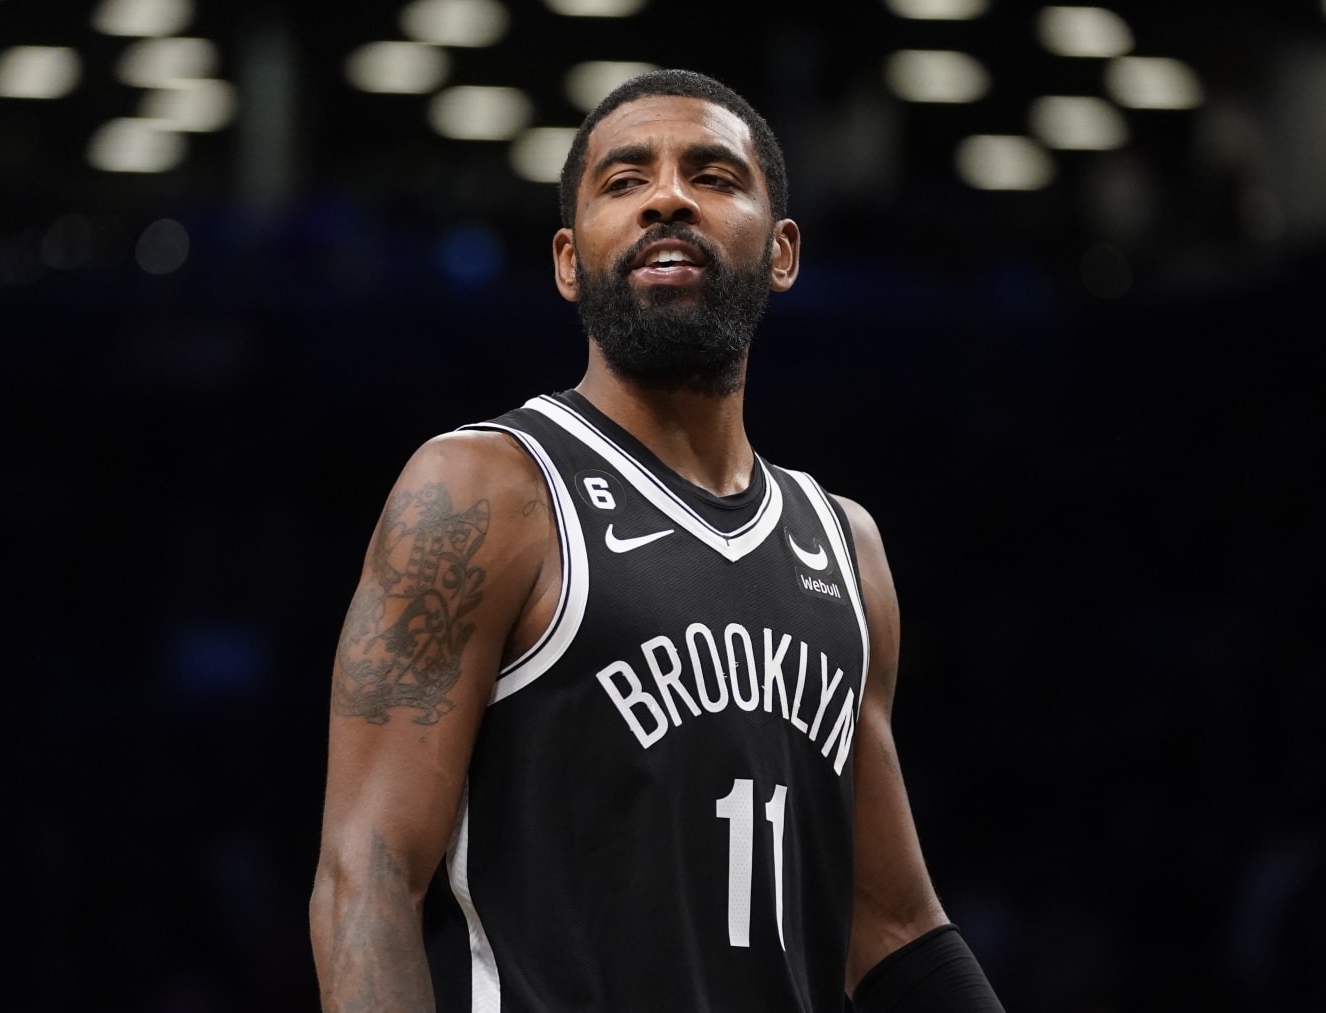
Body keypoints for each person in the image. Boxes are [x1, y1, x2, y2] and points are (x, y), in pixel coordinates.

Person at [309, 69, 1005, 1012]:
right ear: (567, 260)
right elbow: (370, 875)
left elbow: (893, 927)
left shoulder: (847, 548)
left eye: (714, 176)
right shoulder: (487, 488)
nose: (668, 197)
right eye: (624, 179)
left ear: (783, 250)